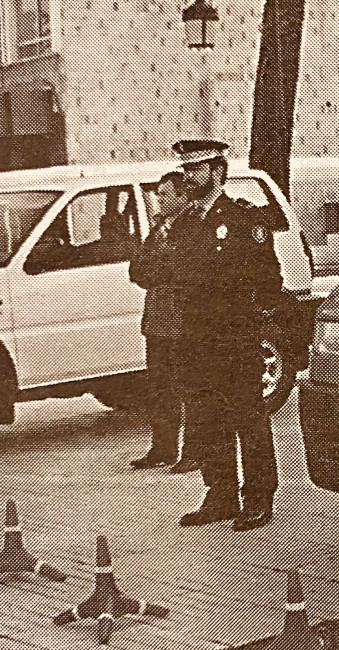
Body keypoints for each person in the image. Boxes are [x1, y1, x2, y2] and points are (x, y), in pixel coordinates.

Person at [169, 139, 283, 531]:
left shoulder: (242, 220)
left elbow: (269, 279)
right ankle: (220, 494)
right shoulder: (184, 224)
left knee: (248, 419)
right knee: (208, 419)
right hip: (197, 341)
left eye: (195, 169)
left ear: (217, 172)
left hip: (235, 340)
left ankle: (258, 496)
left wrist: (250, 322)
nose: (187, 176)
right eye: (185, 169)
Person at [128, 171, 202, 474]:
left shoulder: (194, 226)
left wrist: (159, 268)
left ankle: (194, 451)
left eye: (165, 194)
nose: (158, 199)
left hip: (185, 323)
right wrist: (159, 267)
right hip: (158, 322)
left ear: (183, 197)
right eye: (158, 193)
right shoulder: (158, 227)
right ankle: (163, 447)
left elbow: (182, 270)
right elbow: (138, 272)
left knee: (190, 389)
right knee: (160, 389)